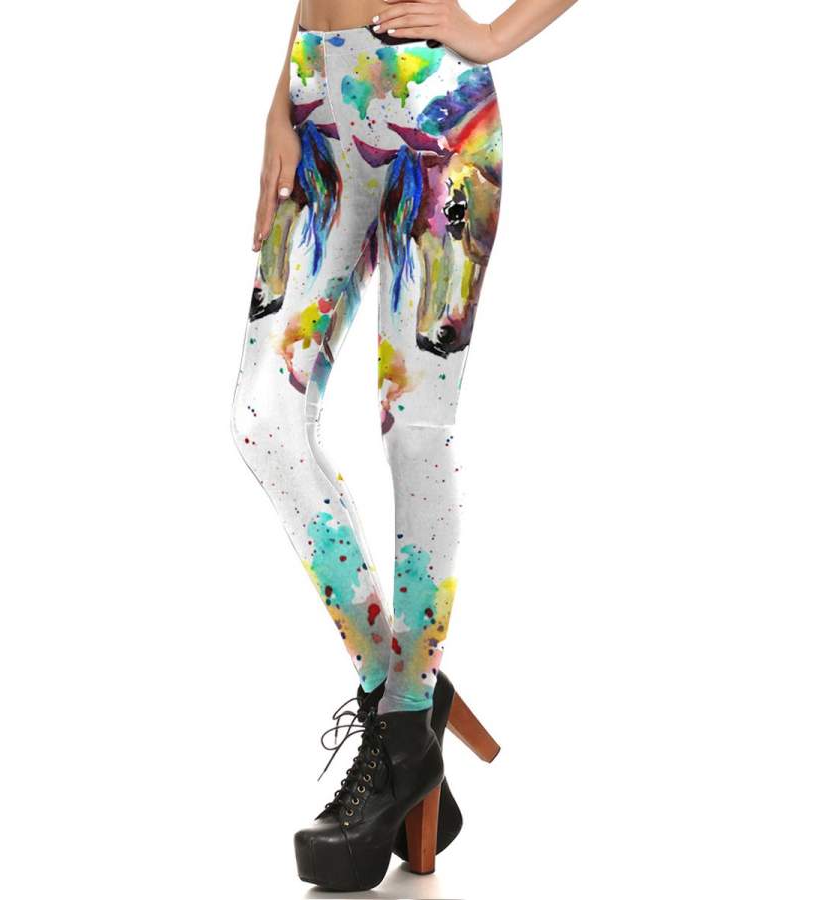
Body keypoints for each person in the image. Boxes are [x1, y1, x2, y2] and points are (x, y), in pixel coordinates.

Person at [231, 0, 578, 890]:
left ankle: (404, 719)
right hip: (314, 108)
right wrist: (278, 101)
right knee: (262, 419)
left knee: (414, 435)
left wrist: (494, 37)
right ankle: (405, 705)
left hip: (436, 111)